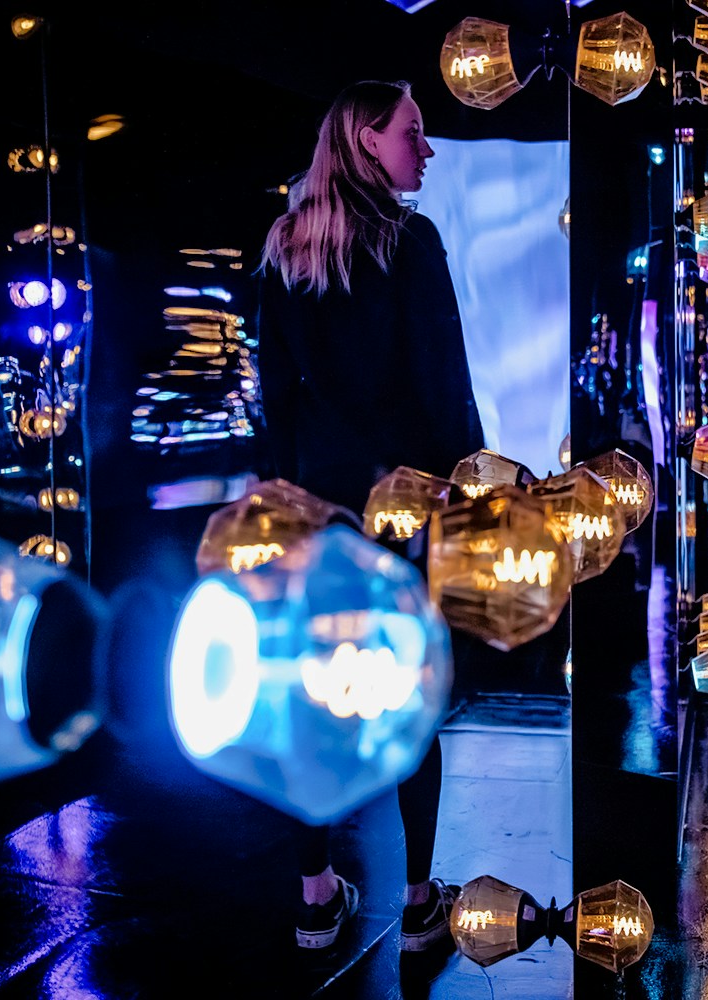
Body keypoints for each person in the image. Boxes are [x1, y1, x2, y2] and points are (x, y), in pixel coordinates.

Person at [255, 79, 485, 955]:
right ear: (363, 143)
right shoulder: (410, 243)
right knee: (416, 688)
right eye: (412, 134)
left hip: (317, 508)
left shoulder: (286, 248)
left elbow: (275, 394)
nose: (424, 151)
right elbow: (442, 380)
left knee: (312, 690)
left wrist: (286, 490)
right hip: (409, 507)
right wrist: (470, 482)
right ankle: (422, 898)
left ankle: (317, 895)